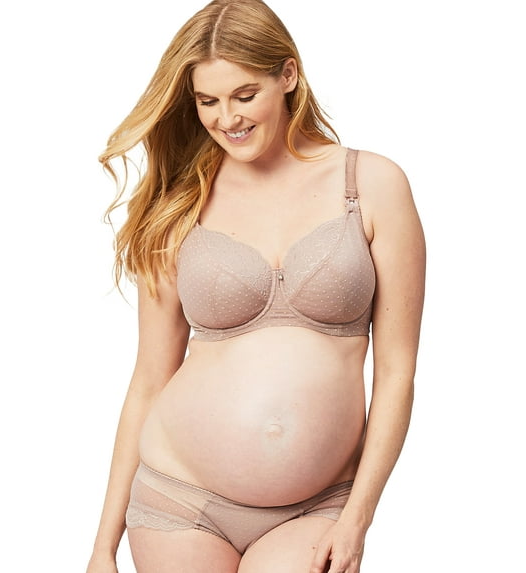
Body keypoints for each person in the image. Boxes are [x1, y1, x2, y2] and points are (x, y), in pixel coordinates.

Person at [86, 0, 425, 571]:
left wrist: (358, 517)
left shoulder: (372, 184)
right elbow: (149, 378)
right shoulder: (180, 203)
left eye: (245, 95)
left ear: (287, 75)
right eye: (208, 101)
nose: (227, 119)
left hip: (317, 508)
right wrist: (102, 546)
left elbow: (397, 372)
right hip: (179, 499)